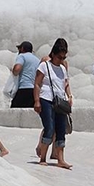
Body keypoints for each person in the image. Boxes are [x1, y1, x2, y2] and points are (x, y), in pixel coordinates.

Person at [34, 38, 73, 169]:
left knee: (61, 129)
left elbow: (66, 84)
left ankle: (60, 159)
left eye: (63, 57)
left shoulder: (62, 68)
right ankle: (43, 157)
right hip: (46, 99)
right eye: (59, 57)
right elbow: (37, 84)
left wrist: (70, 96)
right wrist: (36, 101)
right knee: (49, 128)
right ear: (53, 54)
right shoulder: (44, 65)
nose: (61, 60)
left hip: (60, 101)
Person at [11, 41, 40, 108]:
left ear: (22, 48)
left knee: (14, 111)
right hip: (34, 91)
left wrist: (13, 71)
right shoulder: (37, 60)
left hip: (24, 88)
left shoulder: (22, 56)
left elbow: (16, 69)